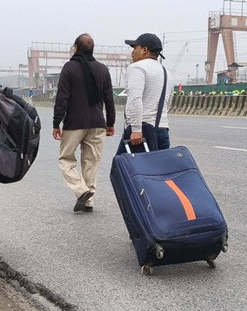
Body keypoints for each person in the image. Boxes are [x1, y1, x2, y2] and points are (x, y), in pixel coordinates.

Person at [52, 33, 115, 213]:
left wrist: (56, 123)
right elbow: (109, 99)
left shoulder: (69, 68)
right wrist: (110, 123)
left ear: (76, 48)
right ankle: (89, 201)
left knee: (65, 159)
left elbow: (62, 98)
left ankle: (81, 191)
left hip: (74, 123)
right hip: (97, 123)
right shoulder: (103, 69)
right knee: (91, 162)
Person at [117, 33, 173, 155]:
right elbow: (168, 103)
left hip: (142, 133)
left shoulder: (137, 68)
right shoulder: (166, 72)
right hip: (163, 131)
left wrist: (136, 129)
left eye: (134, 48)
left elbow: (135, 99)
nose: (132, 52)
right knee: (159, 167)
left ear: (144, 50)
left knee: (121, 165)